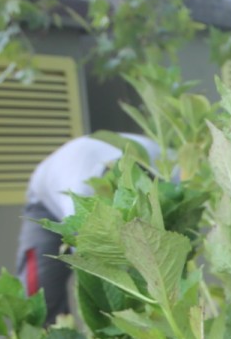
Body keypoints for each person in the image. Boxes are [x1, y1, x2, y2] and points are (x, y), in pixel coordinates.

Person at [16, 134, 158, 319]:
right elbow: (91, 267)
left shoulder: (165, 167)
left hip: (99, 158)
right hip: (47, 203)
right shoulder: (79, 195)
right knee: (39, 293)